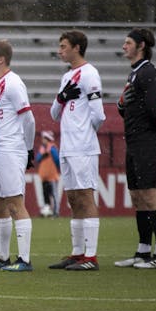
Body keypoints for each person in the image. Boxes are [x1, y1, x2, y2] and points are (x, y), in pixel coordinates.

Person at [48, 31, 106, 271]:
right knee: (73, 198)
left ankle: (90, 257)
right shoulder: (67, 76)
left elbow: (99, 115)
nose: (60, 50)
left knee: (85, 195)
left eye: (63, 46)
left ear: (77, 47)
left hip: (82, 146)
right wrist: (61, 97)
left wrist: (84, 133)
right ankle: (77, 253)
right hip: (68, 147)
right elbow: (53, 113)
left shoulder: (90, 73)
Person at [114, 28, 156, 269]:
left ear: (141, 45)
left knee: (151, 193)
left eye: (128, 43)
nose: (124, 46)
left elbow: (152, 109)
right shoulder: (134, 74)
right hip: (134, 140)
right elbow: (130, 107)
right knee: (137, 195)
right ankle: (143, 250)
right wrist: (122, 106)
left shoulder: (148, 73)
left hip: (147, 140)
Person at [0, 40, 36, 272]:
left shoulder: (13, 83)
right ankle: (3, 257)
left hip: (11, 148)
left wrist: (29, 148)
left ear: (1, 59)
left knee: (15, 202)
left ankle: (24, 259)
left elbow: (28, 119)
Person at [35, 131, 60, 217]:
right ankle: (47, 210)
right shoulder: (42, 149)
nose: (42, 140)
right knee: (45, 194)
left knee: (53, 194)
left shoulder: (52, 148)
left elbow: (57, 160)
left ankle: (56, 212)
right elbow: (37, 159)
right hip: (44, 176)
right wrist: (42, 155)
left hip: (51, 176)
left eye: (44, 138)